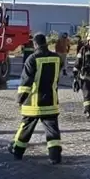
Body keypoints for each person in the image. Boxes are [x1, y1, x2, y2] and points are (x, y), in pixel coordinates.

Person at [10, 34, 64, 163]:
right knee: (53, 132)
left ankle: (17, 151)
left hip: (34, 102)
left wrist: (20, 99)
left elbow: (26, 81)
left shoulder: (32, 58)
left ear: (35, 44)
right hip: (51, 101)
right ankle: (55, 157)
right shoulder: (57, 58)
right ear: (46, 42)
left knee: (26, 128)